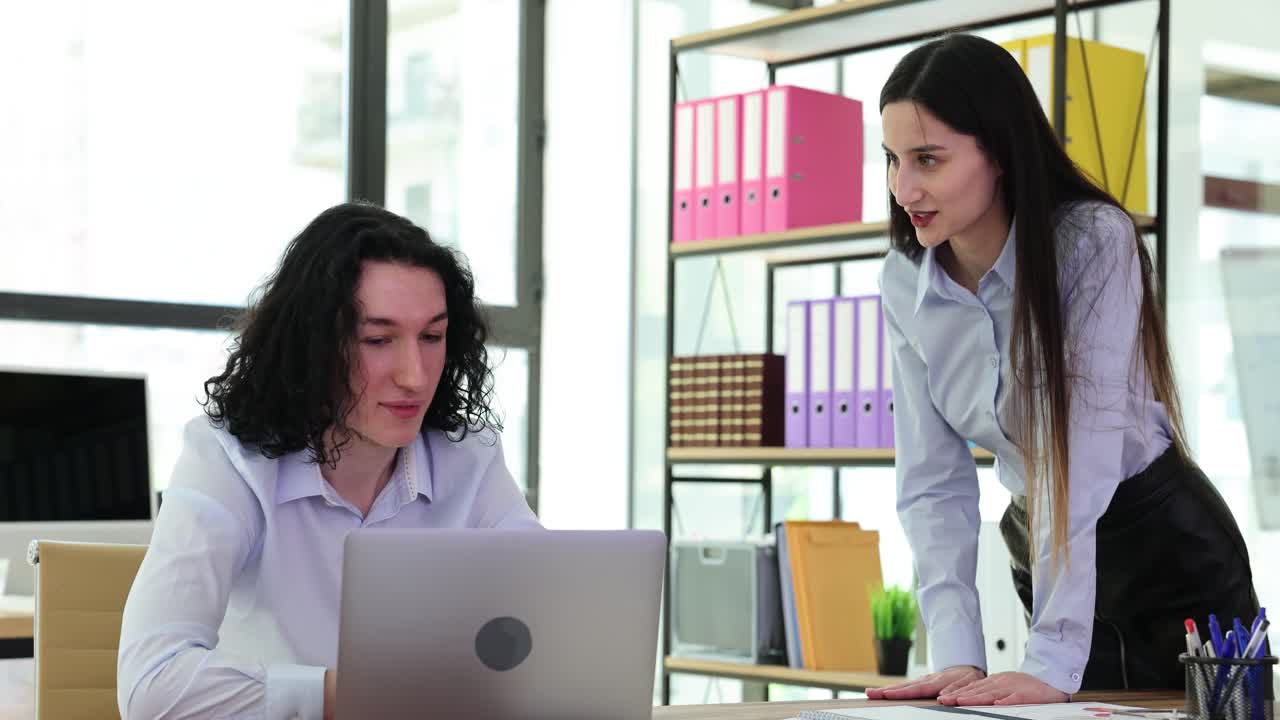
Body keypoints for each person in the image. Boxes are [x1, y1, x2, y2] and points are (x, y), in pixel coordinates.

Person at [865, 34, 1259, 706]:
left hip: (1166, 554)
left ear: (997, 151)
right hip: (1045, 553)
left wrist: (1050, 654)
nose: (905, 188)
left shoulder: (1091, 243)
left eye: (927, 159)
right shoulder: (905, 281)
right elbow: (932, 482)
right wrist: (958, 652)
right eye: (893, 160)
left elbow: (1079, 458)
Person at [117, 202, 539, 720]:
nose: (415, 375)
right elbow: (151, 686)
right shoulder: (229, 460)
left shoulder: (469, 457)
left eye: (431, 337)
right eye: (378, 340)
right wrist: (350, 695)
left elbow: (545, 629)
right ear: (314, 346)